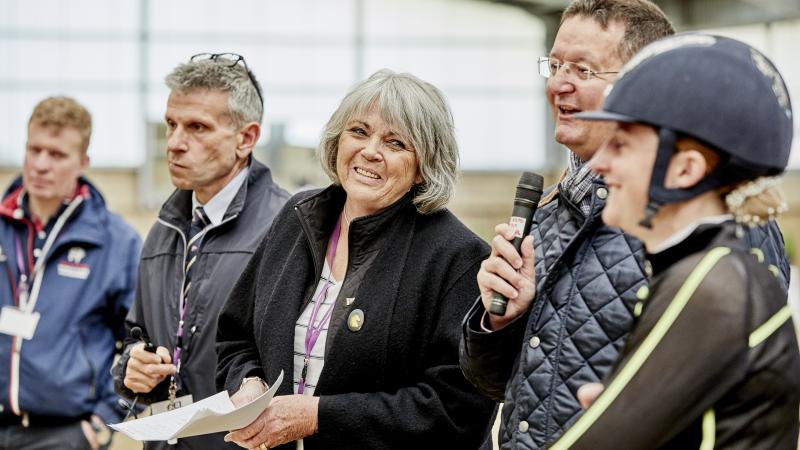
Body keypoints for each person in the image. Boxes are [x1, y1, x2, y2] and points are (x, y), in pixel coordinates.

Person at [458, 1, 790, 448]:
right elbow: (514, 386)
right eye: (554, 64)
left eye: (582, 68)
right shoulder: (554, 209)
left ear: (685, 169)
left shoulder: (717, 275)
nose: (558, 81)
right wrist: (501, 323)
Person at [216, 69, 496, 450]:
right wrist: (248, 382)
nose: (371, 151)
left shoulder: (457, 257)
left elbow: (456, 411)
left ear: (423, 167)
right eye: (359, 132)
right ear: (337, 140)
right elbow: (235, 335)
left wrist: (318, 417)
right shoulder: (296, 217)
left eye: (396, 142)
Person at [549, 33, 800, 449]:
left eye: (622, 145)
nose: (599, 163)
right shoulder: (716, 268)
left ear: (684, 171)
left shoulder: (710, 286)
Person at [112, 53, 289, 449]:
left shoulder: (287, 228)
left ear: (246, 138)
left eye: (197, 127)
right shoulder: (163, 230)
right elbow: (136, 334)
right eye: (171, 125)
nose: (174, 143)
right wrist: (132, 367)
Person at [0, 96, 141, 449]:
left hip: (66, 435)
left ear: (83, 162)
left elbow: (141, 341)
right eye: (35, 150)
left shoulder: (117, 242)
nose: (41, 165)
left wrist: (105, 419)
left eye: (57, 155)